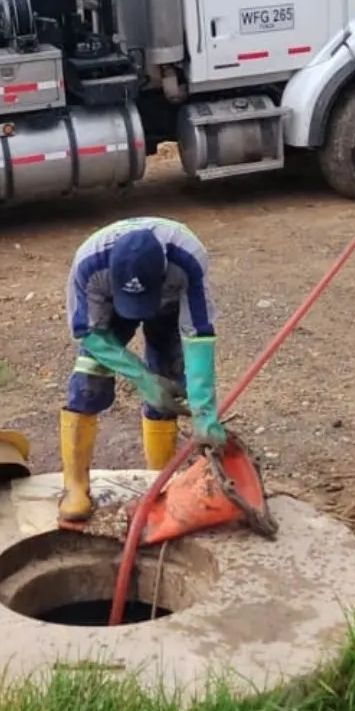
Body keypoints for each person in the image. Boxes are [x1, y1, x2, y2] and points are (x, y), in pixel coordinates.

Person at [58, 216, 229, 522]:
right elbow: (88, 333)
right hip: (109, 308)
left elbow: (198, 335)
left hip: (169, 304)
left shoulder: (187, 259)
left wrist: (204, 413)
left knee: (169, 381)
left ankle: (159, 482)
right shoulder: (89, 264)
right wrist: (142, 378)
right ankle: (75, 486)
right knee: (89, 380)